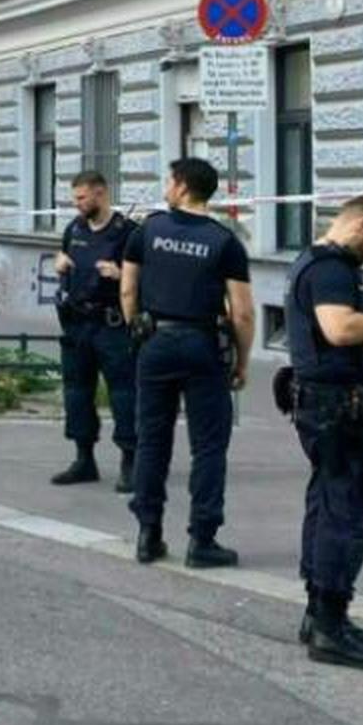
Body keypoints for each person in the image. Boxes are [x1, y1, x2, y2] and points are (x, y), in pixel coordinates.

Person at [285, 195, 363, 671]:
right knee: (346, 514)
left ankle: (321, 615)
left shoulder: (316, 263)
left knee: (328, 503)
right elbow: (338, 330)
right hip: (337, 408)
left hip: (326, 404)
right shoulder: (332, 269)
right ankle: (330, 627)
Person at [120, 157, 255, 568]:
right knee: (209, 446)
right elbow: (243, 313)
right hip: (202, 345)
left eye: (168, 179)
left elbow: (128, 291)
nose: (165, 185)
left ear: (181, 186)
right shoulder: (225, 241)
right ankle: (202, 540)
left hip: (156, 342)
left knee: (152, 440)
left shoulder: (148, 230)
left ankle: (148, 533)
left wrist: (138, 332)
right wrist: (242, 361)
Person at [51, 171, 138, 491]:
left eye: (82, 198)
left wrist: (120, 275)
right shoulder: (74, 230)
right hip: (77, 325)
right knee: (76, 393)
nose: (77, 204)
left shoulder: (126, 233)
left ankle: (131, 460)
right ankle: (83, 457)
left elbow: (146, 279)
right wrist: (59, 264)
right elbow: (64, 263)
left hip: (112, 325)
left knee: (124, 394)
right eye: (75, 198)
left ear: (100, 193)